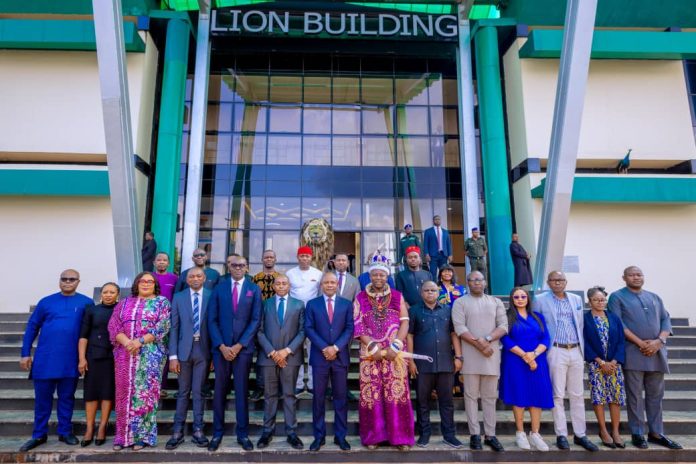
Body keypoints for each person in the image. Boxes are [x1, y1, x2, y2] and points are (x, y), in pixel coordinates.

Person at [608, 266, 682, 450]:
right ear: (624, 278)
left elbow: (666, 320)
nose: (636, 277)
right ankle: (637, 433)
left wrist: (659, 341)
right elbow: (618, 324)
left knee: (656, 395)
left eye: (639, 274)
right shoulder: (617, 297)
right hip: (633, 353)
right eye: (632, 275)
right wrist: (641, 343)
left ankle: (656, 432)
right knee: (634, 396)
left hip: (656, 353)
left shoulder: (655, 297)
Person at [19, 269, 93, 452]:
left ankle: (65, 432)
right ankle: (39, 434)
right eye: (64, 279)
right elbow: (32, 327)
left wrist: (85, 358)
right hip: (45, 360)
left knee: (67, 398)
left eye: (72, 279)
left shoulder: (86, 303)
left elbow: (90, 331)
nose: (67, 282)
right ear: (59, 281)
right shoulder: (46, 302)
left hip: (70, 360)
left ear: (78, 282)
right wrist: (25, 353)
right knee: (42, 400)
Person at [353, 255, 414, 450]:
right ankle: (374, 437)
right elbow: (357, 324)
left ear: (387, 276)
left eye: (382, 275)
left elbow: (405, 322)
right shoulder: (360, 297)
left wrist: (395, 345)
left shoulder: (397, 296)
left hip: (394, 352)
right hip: (370, 353)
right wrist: (373, 346)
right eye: (375, 274)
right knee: (372, 394)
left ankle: (400, 438)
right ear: (370, 276)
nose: (378, 278)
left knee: (396, 393)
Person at [533, 271, 598, 451]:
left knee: (577, 394)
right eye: (554, 280)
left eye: (561, 280)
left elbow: (581, 325)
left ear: (566, 282)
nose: (557, 282)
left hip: (576, 349)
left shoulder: (576, 299)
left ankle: (580, 434)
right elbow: (537, 326)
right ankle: (561, 434)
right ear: (548, 282)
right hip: (555, 350)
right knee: (558, 394)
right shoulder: (540, 300)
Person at [108, 271, 170, 451]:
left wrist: (139, 341)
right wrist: (127, 342)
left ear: (155, 285)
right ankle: (122, 437)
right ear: (136, 284)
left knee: (145, 395)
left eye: (150, 281)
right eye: (142, 281)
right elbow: (114, 325)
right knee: (124, 394)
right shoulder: (124, 303)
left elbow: (163, 326)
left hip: (150, 356)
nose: (146, 284)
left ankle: (142, 437)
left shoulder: (162, 302)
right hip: (125, 355)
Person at [207, 254, 262, 451]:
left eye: (242, 265)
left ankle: (243, 434)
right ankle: (217, 433)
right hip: (221, 350)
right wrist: (221, 346)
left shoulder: (254, 289)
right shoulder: (219, 288)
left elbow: (256, 320)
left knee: (241, 391)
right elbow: (211, 320)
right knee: (219, 392)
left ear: (247, 268)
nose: (238, 268)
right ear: (229, 267)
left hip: (243, 350)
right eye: (235, 265)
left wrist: (239, 345)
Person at [451, 271, 507, 452]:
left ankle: (490, 435)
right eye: (473, 280)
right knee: (471, 397)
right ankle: (474, 434)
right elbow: (459, 328)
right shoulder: (460, 302)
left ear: (485, 282)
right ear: (467, 283)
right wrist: (481, 345)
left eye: (479, 279)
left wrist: (487, 339)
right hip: (470, 357)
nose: (476, 282)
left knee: (490, 398)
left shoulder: (496, 302)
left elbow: (503, 326)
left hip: (491, 356)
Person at [407, 281, 463, 449]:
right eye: (427, 290)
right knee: (422, 401)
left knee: (447, 402)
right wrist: (411, 360)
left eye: (433, 290)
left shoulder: (447, 310)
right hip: (422, 364)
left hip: (446, 362)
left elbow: (453, 334)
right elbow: (409, 336)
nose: (430, 293)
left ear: (438, 292)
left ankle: (449, 435)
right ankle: (424, 434)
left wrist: (458, 356)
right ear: (421, 292)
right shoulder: (414, 311)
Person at [499, 287, 554, 451]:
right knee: (519, 395)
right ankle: (520, 433)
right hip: (515, 361)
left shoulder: (538, 317)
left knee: (537, 395)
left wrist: (534, 355)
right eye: (516, 297)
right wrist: (525, 356)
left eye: (523, 296)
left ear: (528, 299)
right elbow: (505, 339)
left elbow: (546, 338)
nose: (520, 299)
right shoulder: (507, 317)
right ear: (512, 299)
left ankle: (535, 433)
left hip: (538, 360)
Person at [256, 274, 305, 450]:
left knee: (289, 395)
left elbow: (302, 331)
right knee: (269, 396)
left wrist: (286, 351)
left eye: (284, 283)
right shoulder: (265, 304)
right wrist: (272, 352)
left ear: (289, 286)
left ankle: (291, 432)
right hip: (268, 357)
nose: (281, 286)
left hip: (290, 358)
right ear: (273, 286)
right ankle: (267, 431)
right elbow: (259, 331)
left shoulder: (299, 305)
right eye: (278, 283)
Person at [305, 272, 354, 452]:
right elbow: (309, 328)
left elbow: (349, 328)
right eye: (326, 282)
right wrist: (325, 348)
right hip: (320, 357)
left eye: (333, 282)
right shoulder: (312, 304)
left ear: (337, 284)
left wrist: (336, 348)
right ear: (321, 285)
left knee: (340, 398)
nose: (330, 285)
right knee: (318, 398)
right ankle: (319, 437)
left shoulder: (346, 304)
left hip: (340, 358)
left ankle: (340, 436)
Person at [165, 267, 211, 450]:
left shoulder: (211, 295)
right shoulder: (178, 297)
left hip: (203, 351)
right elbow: (174, 327)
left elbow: (214, 325)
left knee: (199, 391)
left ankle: (198, 430)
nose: (195, 278)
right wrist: (173, 356)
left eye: (199, 276)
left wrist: (214, 355)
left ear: (204, 278)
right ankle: (177, 431)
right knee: (183, 391)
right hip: (183, 351)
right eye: (192, 276)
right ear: (187, 279)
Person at [78, 282, 120, 447]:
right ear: (101, 294)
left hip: (113, 357)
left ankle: (102, 427)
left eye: (112, 292)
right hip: (93, 356)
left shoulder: (121, 310)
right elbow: (83, 336)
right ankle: (89, 428)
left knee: (107, 392)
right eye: (105, 292)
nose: (108, 295)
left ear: (117, 295)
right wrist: (82, 358)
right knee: (91, 392)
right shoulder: (92, 310)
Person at [584, 286, 626, 449]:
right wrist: (601, 362)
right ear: (589, 302)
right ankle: (603, 431)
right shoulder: (585, 319)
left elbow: (621, 341)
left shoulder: (614, 318)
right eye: (596, 300)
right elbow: (585, 342)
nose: (600, 302)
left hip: (614, 365)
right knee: (599, 397)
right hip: (596, 365)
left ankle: (615, 431)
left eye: (602, 299)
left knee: (615, 397)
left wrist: (614, 362)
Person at [286, 246, 323, 394]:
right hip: (295, 316)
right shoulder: (290, 273)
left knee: (313, 350)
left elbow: (320, 295)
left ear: (311, 257)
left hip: (313, 317)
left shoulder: (318, 274)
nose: (304, 258)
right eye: (302, 256)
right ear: (298, 257)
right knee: (296, 350)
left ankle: (313, 384)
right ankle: (299, 383)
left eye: (307, 256)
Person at [251, 249, 280, 401]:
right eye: (266, 257)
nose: (269, 259)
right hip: (259, 321)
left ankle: (277, 387)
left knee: (277, 353)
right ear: (262, 260)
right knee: (261, 356)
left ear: (275, 259)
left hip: (276, 322)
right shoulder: (255, 279)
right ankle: (260, 386)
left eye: (271, 257)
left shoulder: (280, 278)